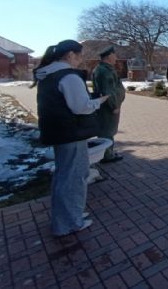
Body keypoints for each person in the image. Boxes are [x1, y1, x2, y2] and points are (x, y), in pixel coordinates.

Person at [34, 40, 110, 236]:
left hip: (59, 132)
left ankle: (67, 217)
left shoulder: (48, 74)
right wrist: (98, 101)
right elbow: (81, 107)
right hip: (71, 133)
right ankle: (69, 223)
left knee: (64, 176)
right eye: (80, 55)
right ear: (70, 55)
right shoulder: (68, 76)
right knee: (74, 177)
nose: (81, 59)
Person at [91, 45, 126, 163]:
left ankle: (107, 153)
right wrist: (114, 106)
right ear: (109, 56)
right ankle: (107, 156)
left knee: (107, 131)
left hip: (107, 106)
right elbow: (107, 91)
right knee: (107, 131)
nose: (116, 57)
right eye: (114, 55)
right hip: (108, 108)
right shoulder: (104, 71)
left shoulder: (104, 69)